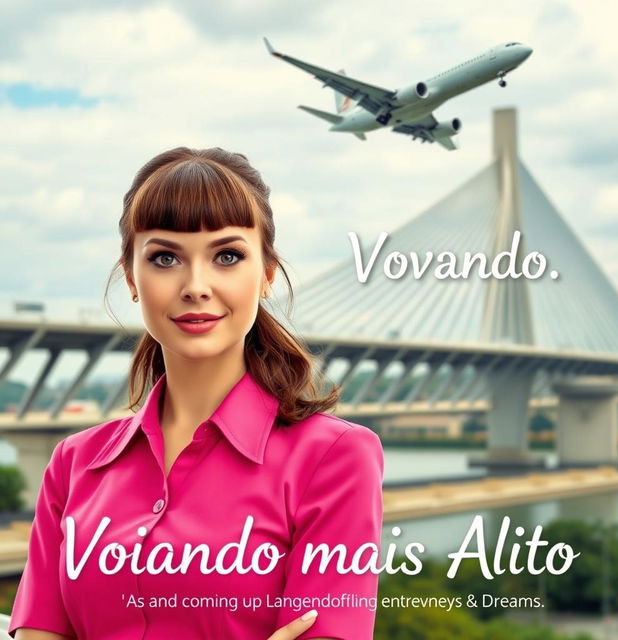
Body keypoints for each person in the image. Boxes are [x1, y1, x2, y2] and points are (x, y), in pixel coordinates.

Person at [8, 147, 385, 640]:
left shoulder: (336, 460)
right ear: (131, 279)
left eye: (227, 256)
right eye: (165, 258)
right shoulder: (74, 465)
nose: (196, 286)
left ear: (267, 274)